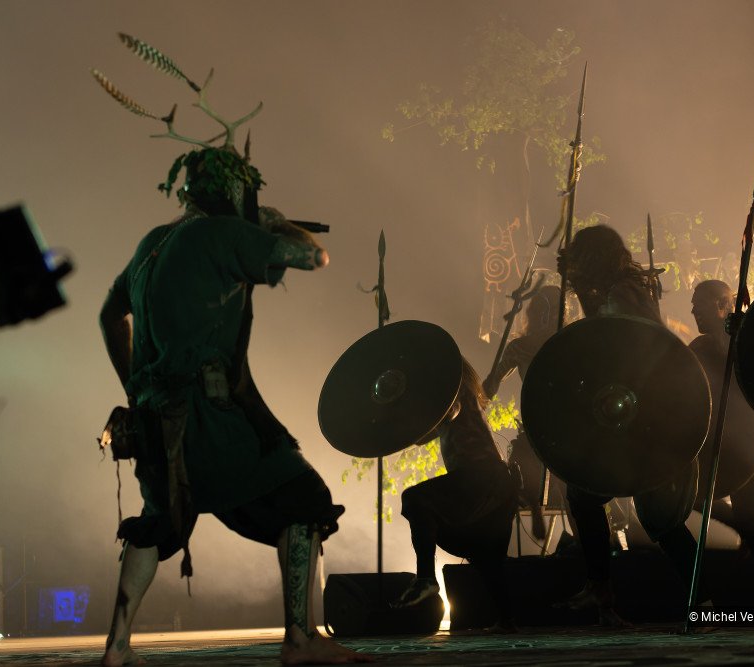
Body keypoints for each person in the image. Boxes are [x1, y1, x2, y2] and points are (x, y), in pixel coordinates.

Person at [99, 145, 369, 666]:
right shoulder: (222, 234)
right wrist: (274, 225)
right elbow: (315, 256)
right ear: (237, 193)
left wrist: (135, 388)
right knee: (305, 499)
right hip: (209, 419)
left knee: (159, 522)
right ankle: (298, 641)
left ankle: (116, 649)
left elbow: (111, 317)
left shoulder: (153, 243)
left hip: (156, 418)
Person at [553, 224, 709, 625]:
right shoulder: (613, 291)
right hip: (630, 411)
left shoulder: (624, 292)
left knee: (660, 517)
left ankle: (702, 601)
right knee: (587, 495)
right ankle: (603, 593)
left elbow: (624, 342)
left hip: (644, 415)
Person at [393, 358, 519, 632]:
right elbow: (421, 436)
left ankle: (426, 577)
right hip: (495, 483)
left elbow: (450, 412)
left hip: (482, 478)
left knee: (415, 499)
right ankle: (507, 620)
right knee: (487, 558)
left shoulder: (456, 390)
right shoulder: (456, 393)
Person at [689, 280, 754, 603]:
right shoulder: (700, 348)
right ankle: (748, 526)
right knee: (688, 493)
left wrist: (738, 335)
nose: (692, 310)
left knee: (751, 522)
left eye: (700, 304)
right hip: (720, 444)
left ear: (722, 305)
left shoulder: (748, 339)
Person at [483, 285, 567, 538]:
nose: (547, 316)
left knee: (569, 489)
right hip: (538, 424)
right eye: (543, 310)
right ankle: (531, 502)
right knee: (523, 459)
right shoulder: (520, 347)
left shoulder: (568, 342)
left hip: (565, 424)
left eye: (550, 311)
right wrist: (486, 387)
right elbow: (491, 386)